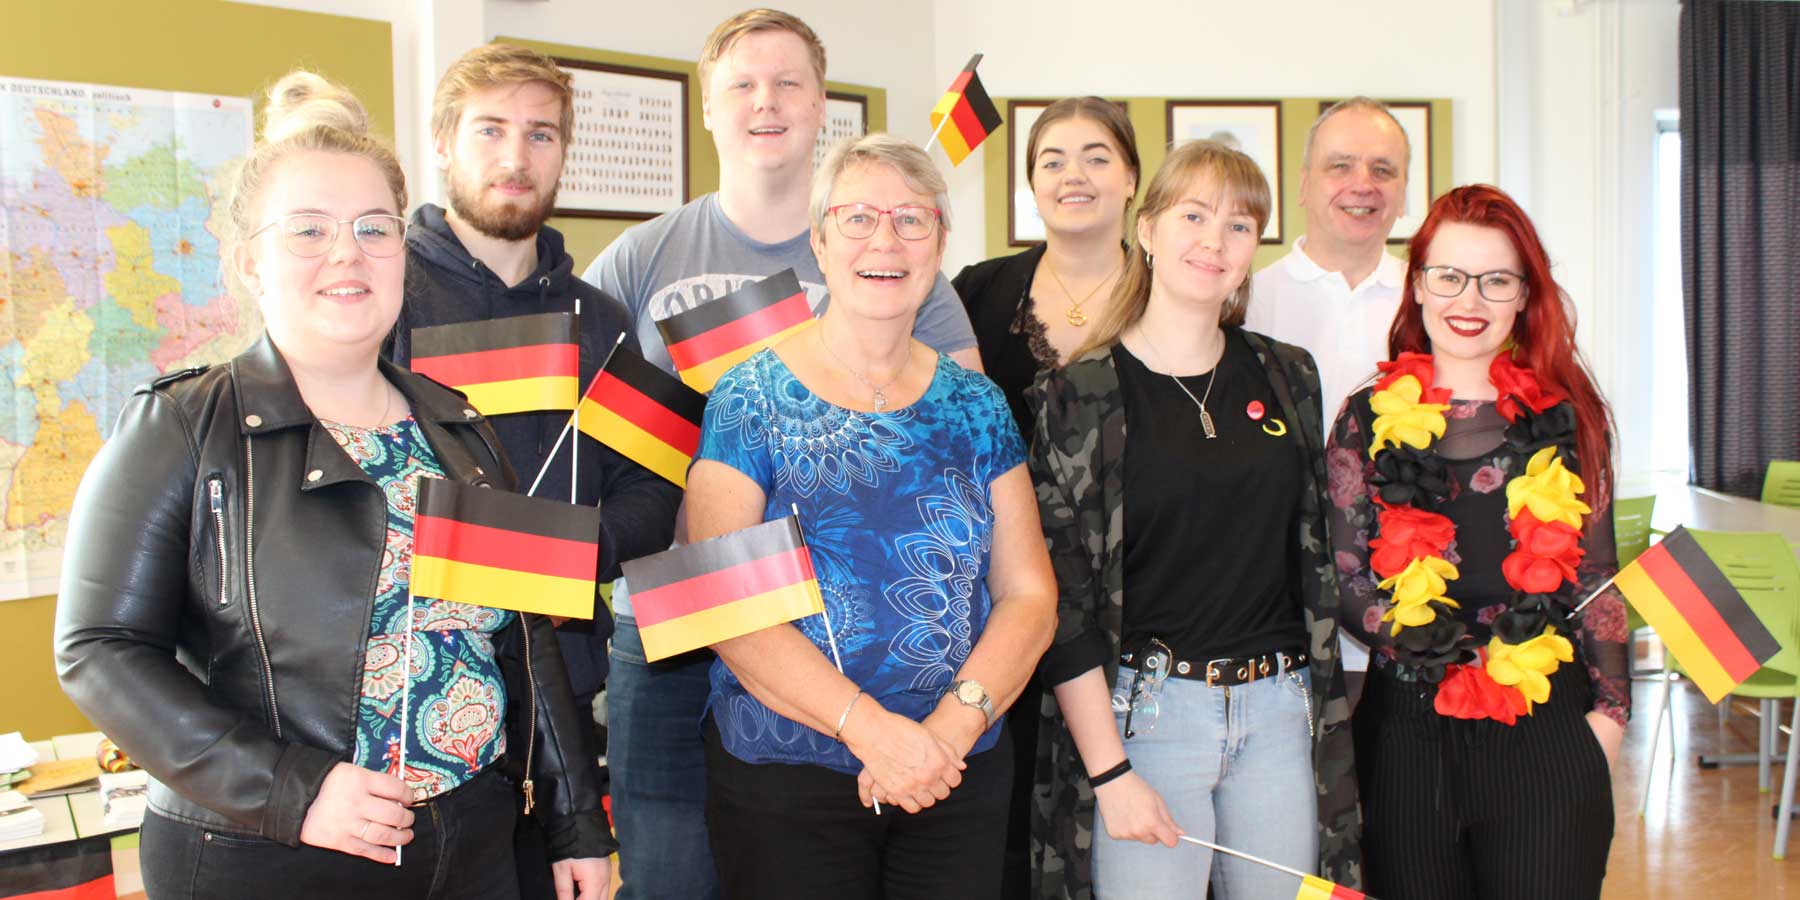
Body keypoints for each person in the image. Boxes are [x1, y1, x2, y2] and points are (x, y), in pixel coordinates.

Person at [53, 72, 612, 899]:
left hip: (475, 843)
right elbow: (98, 649)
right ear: (251, 262)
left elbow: (526, 644)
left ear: (403, 255)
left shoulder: (460, 428)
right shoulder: (181, 428)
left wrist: (574, 825)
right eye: (308, 229)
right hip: (269, 854)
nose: (347, 253)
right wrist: (292, 790)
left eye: (373, 228)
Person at [580, 11, 980, 898]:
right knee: (669, 874)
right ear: (708, 109)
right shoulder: (639, 258)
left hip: (831, 638)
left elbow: (962, 442)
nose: (766, 102)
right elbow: (584, 441)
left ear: (821, 103)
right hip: (669, 620)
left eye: (789, 82)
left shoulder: (885, 254)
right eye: (743, 85)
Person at [684, 132, 1055, 899]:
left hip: (955, 769)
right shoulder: (747, 397)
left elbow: (1029, 595)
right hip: (788, 778)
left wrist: (947, 733)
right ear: (819, 242)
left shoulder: (979, 405)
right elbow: (726, 607)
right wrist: (871, 731)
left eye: (911, 219)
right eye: (857, 218)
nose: (885, 240)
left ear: (940, 246)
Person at [1028, 140, 1362, 900]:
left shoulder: (1289, 374)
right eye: (1194, 216)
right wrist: (1110, 772)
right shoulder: (1078, 395)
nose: (1216, 240)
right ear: (1146, 230)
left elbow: (1318, 553)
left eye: (1240, 225)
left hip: (1281, 713)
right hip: (1148, 720)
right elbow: (1062, 604)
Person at [384, 46, 681, 810]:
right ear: (443, 143)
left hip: (565, 685)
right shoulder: (383, 296)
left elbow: (651, 489)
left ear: (563, 153)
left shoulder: (600, 319)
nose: (516, 158)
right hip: (408, 685)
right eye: (490, 129)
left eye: (540, 135)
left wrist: (573, 559)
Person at [1325, 184, 1626, 900]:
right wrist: (1439, 653)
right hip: (1408, 738)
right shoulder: (1364, 418)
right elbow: (1344, 579)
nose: (1470, 300)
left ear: (1524, 295)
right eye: (1450, 276)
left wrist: (1609, 720)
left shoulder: (1571, 419)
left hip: (1546, 728)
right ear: (1417, 284)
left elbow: (1598, 580)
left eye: (1496, 280)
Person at [948, 95, 1138, 898]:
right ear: (1031, 183)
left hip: (1136, 598)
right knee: (1010, 822)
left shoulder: (1172, 289)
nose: (1073, 176)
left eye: (1097, 156)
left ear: (1132, 178)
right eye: (1052, 160)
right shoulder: (975, 292)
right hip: (1002, 595)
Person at [1246, 96, 1412, 689]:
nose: (1362, 183)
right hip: (1273, 627)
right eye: (1340, 165)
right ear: (1303, 184)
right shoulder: (1246, 302)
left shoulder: (1433, 305)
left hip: (1400, 628)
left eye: (1383, 169)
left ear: (1404, 192)